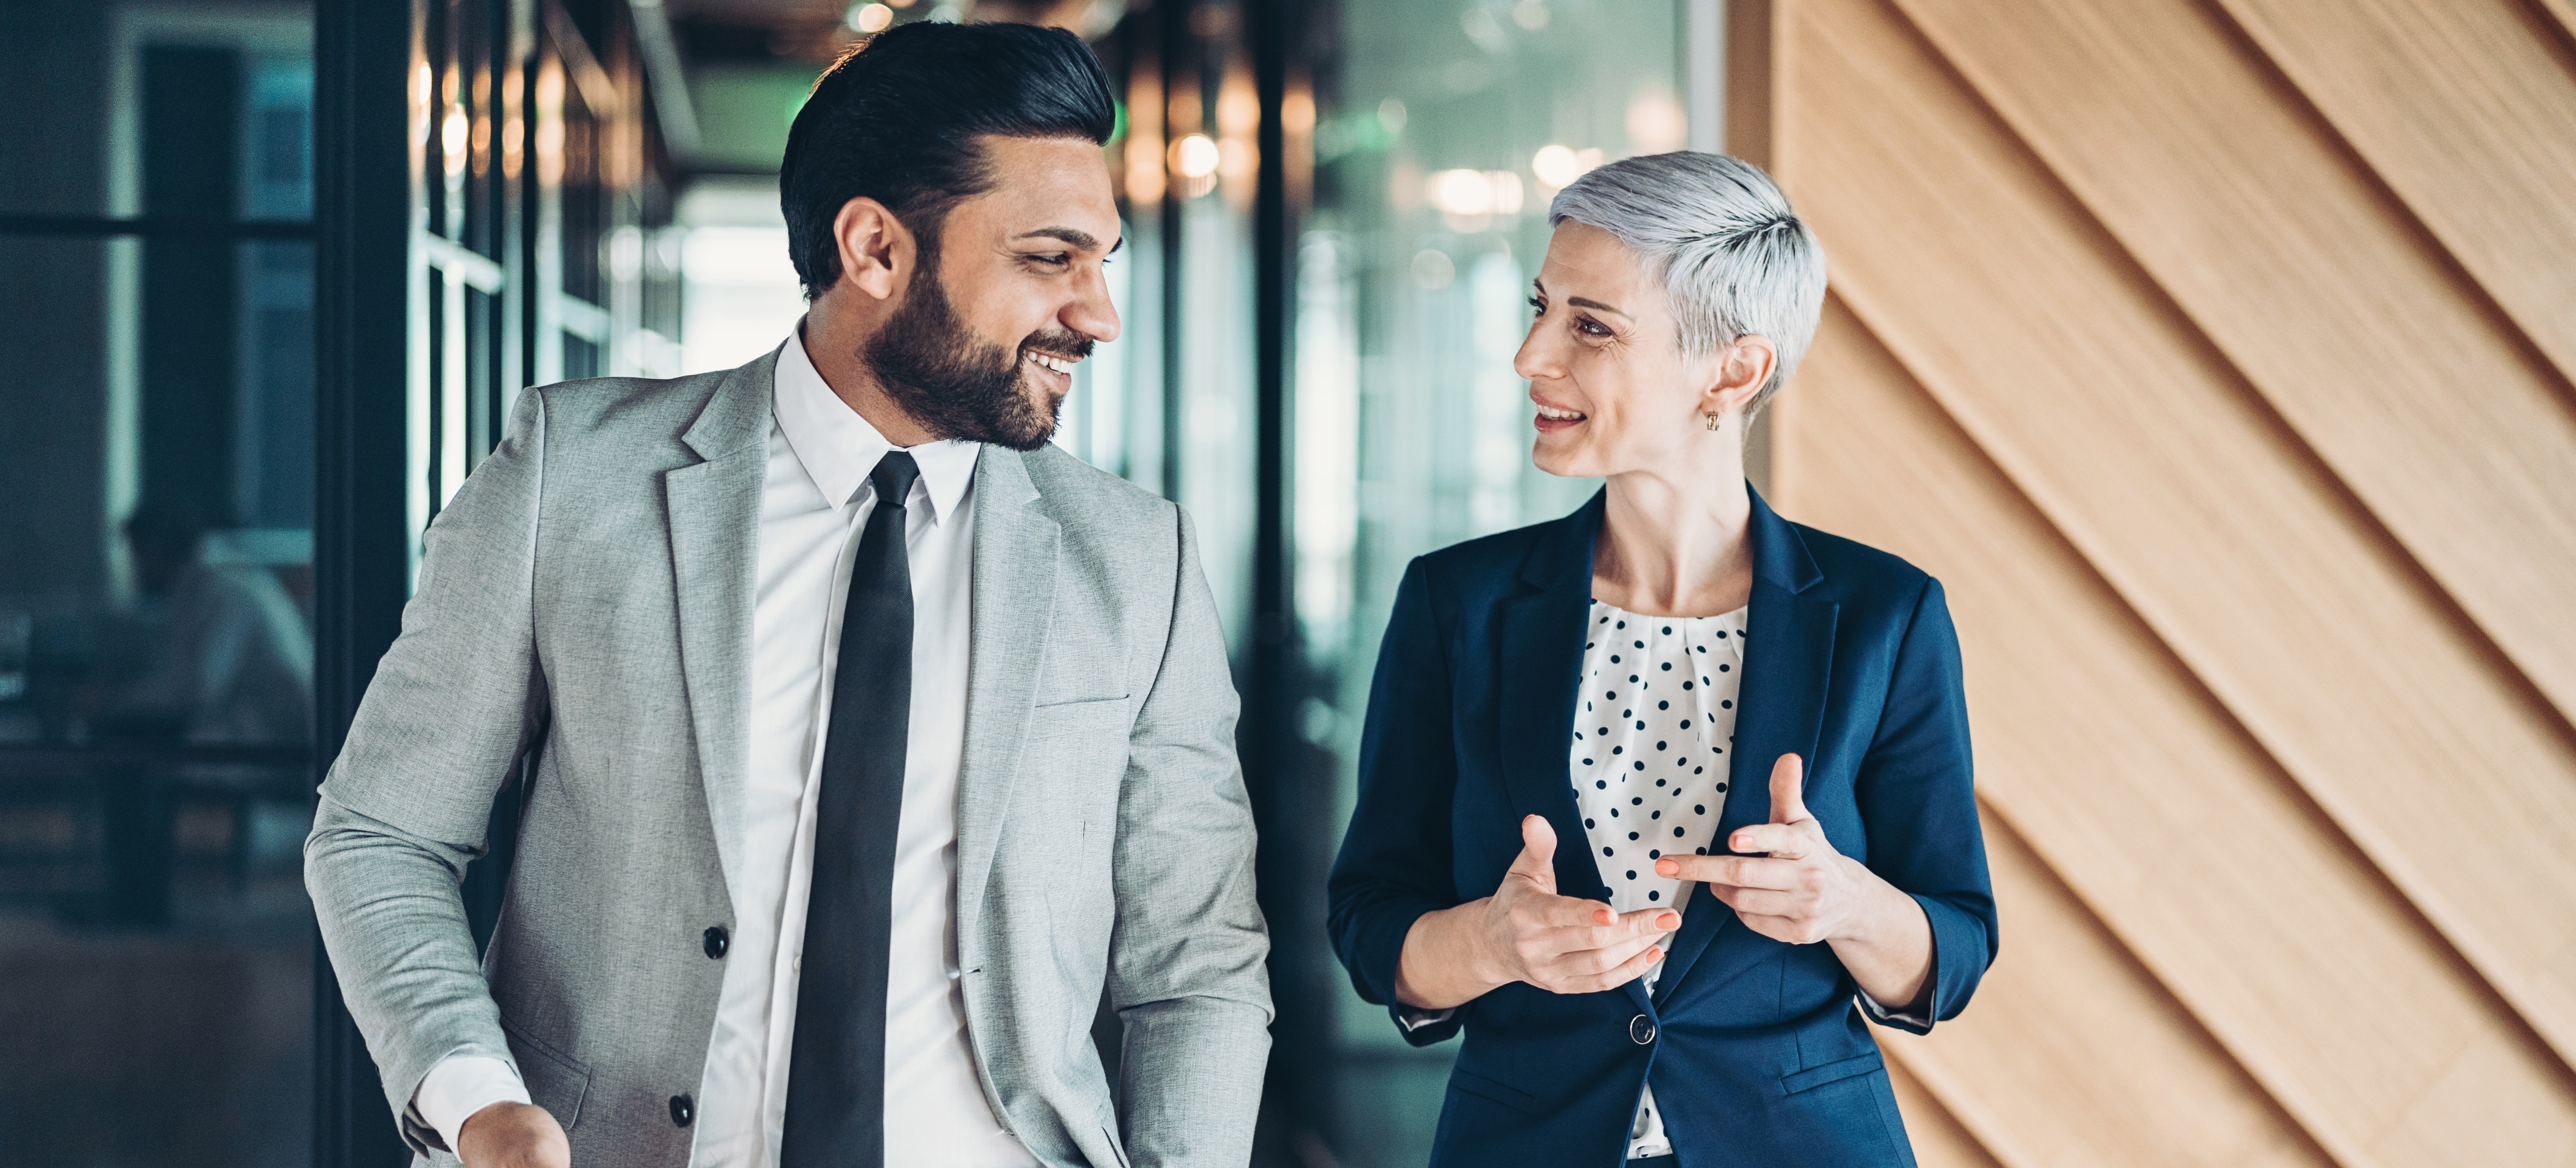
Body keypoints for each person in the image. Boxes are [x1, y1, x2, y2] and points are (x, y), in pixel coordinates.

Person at [307, 23, 1270, 1168]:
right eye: (1051, 258)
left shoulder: (1137, 558)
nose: (1099, 312)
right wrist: (478, 1100)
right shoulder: (575, 477)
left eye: (1102, 260)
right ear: (874, 248)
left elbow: (1196, 965)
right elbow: (382, 833)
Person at [1326, 153, 1996, 1167]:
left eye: (1591, 326)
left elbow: (1953, 948)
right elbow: (1375, 922)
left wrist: (1843, 900)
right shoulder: (1456, 603)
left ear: (1732, 370)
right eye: (1542, 307)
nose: (1530, 355)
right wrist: (1490, 943)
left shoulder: (1884, 614)